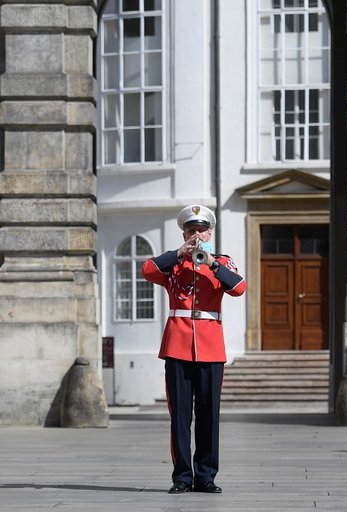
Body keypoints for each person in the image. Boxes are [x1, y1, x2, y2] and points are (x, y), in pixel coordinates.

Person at [142, 204, 247, 494]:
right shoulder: (174, 265)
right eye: (191, 231)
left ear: (210, 233)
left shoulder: (222, 262)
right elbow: (147, 269)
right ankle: (182, 477)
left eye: (201, 230)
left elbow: (239, 288)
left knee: (209, 415)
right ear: (184, 233)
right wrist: (180, 253)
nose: (197, 235)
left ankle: (206, 476)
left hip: (211, 348)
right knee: (180, 418)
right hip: (177, 346)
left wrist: (211, 263)